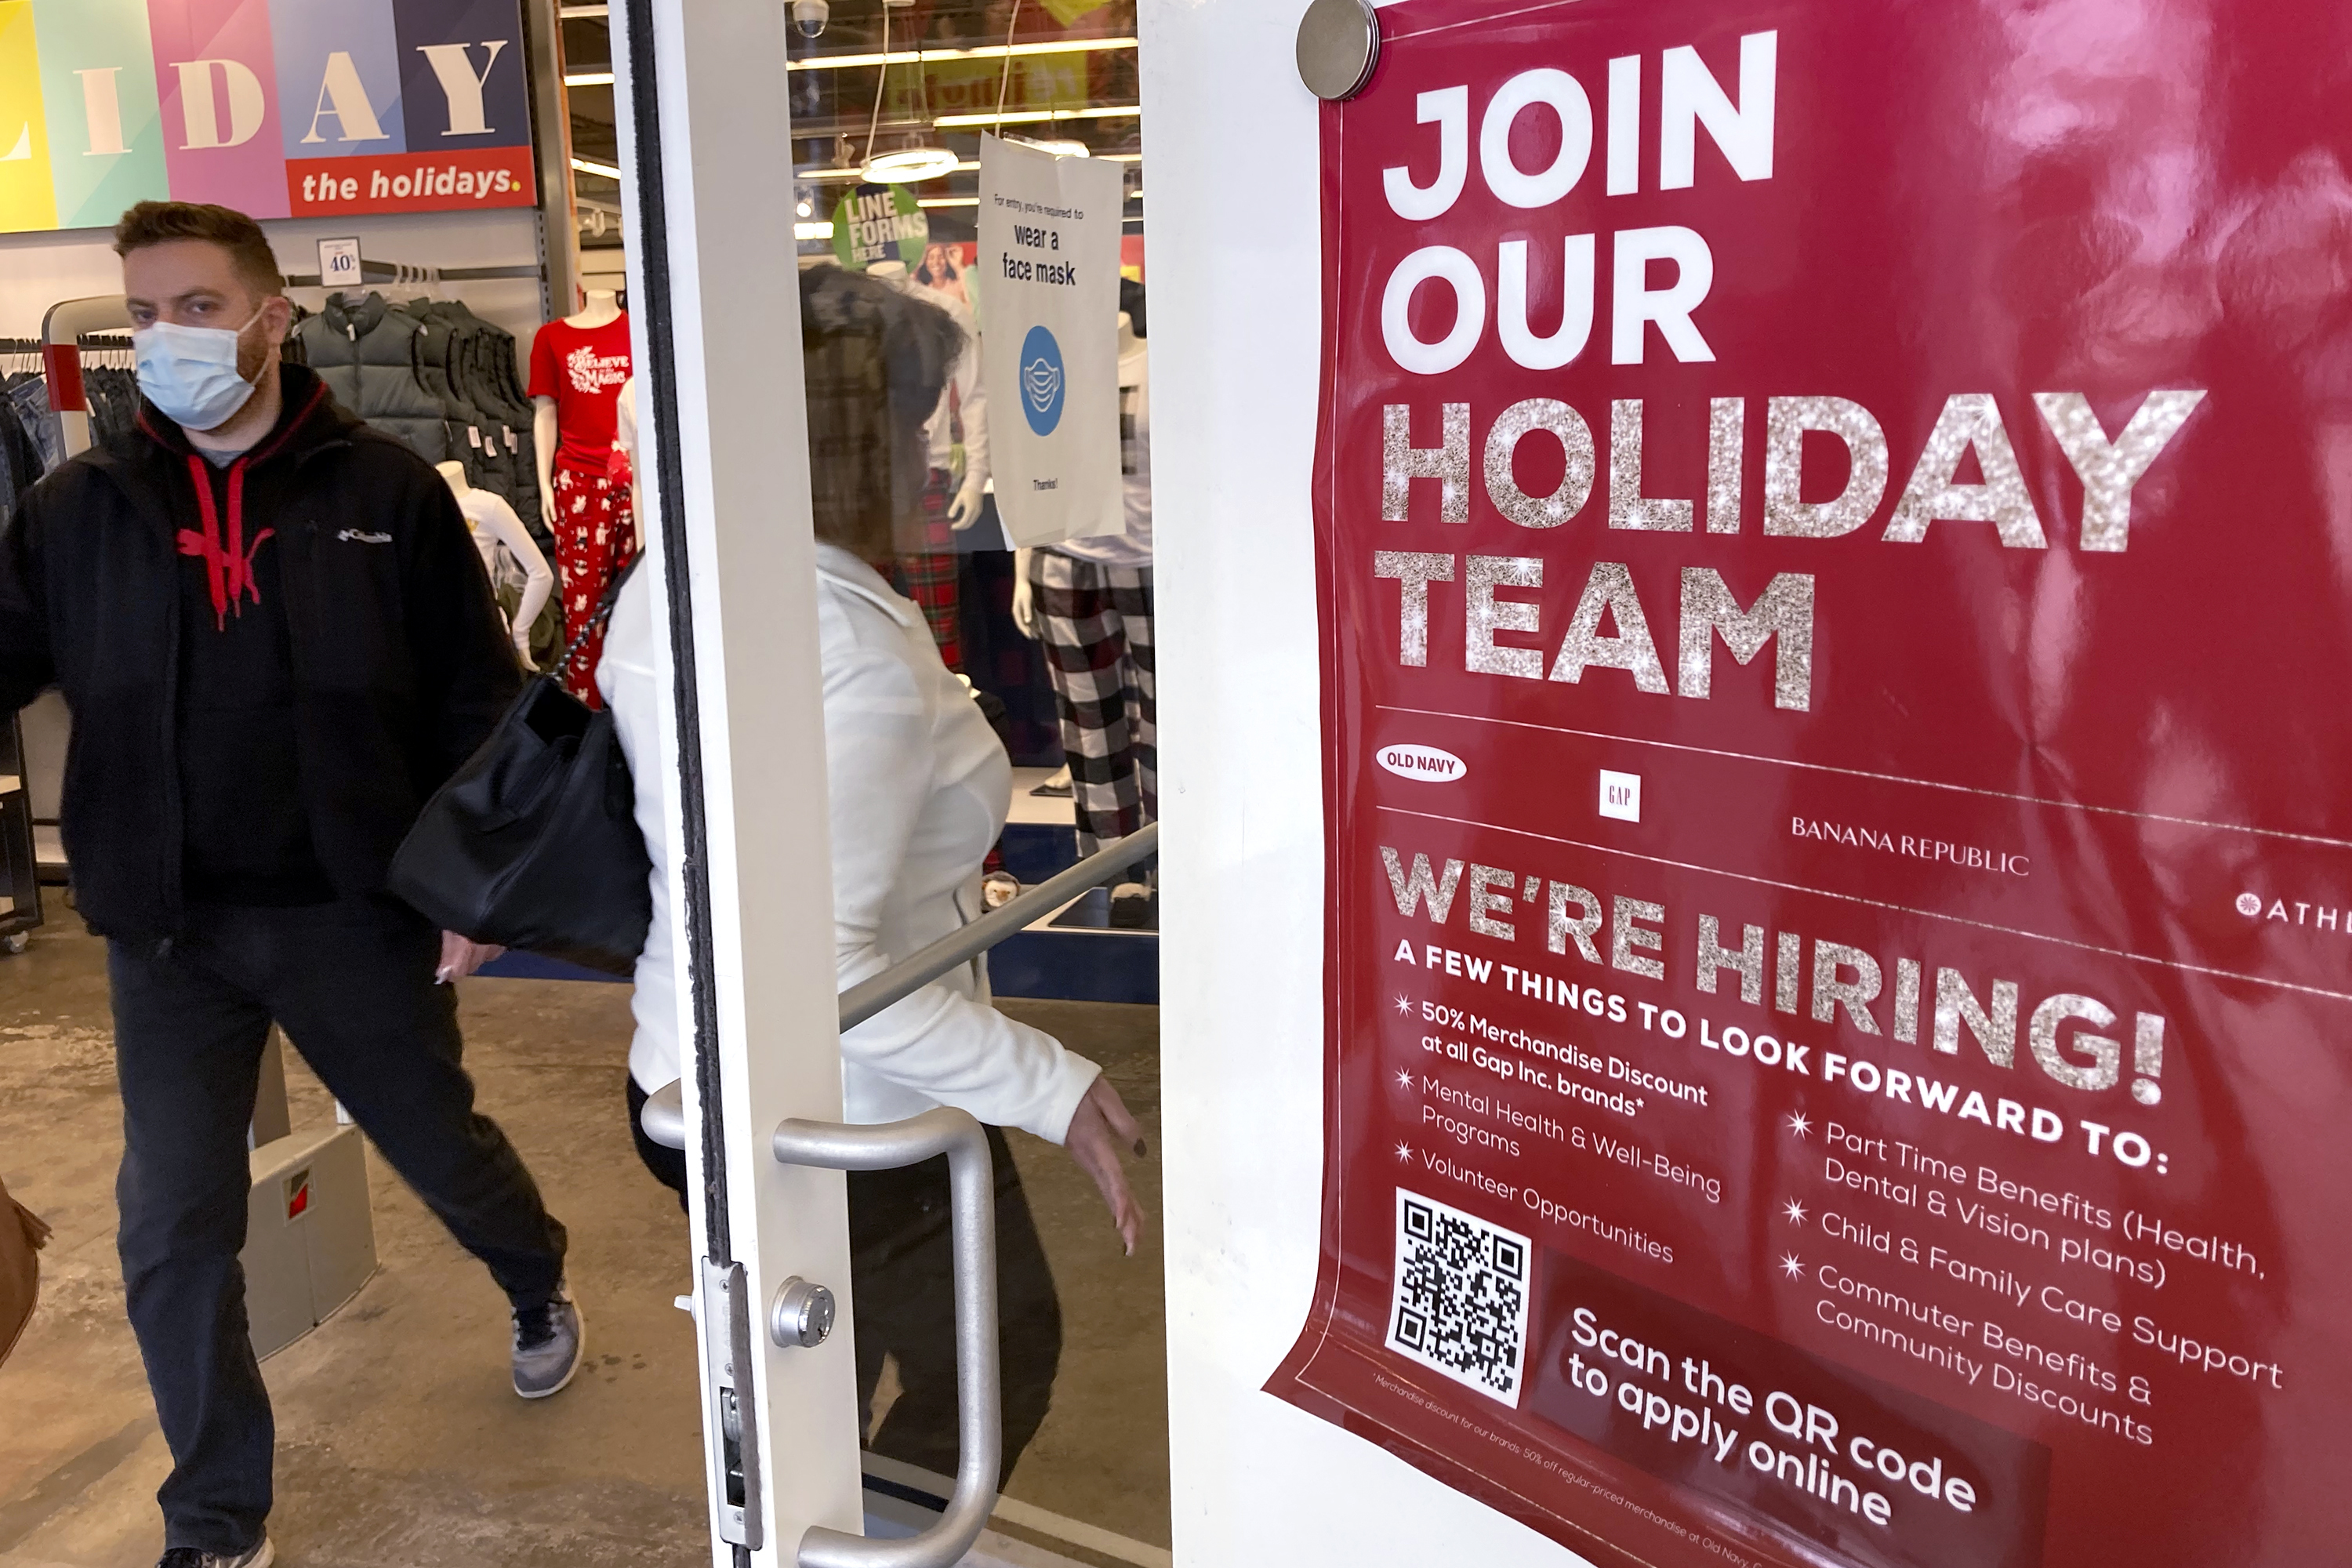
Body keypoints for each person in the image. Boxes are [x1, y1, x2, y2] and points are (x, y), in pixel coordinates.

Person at [0, 202, 580, 1568]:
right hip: (166, 929)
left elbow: (473, 709)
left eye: (197, 307)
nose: (165, 339)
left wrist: (473, 891)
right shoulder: (77, 509)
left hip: (349, 912)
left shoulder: (388, 495)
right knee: (170, 1223)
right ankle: (215, 1519)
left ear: (274, 318)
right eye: (143, 312)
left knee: (438, 1143)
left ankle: (534, 1271)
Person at [601, 265, 1145, 1483]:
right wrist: (1046, 1085)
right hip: (842, 1101)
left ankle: (838, 1534)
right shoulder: (839, 648)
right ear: (843, 441)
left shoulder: (691, 583)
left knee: (816, 1388)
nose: (932, 454)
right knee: (990, 1361)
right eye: (912, 420)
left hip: (698, 1064)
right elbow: (822, 970)